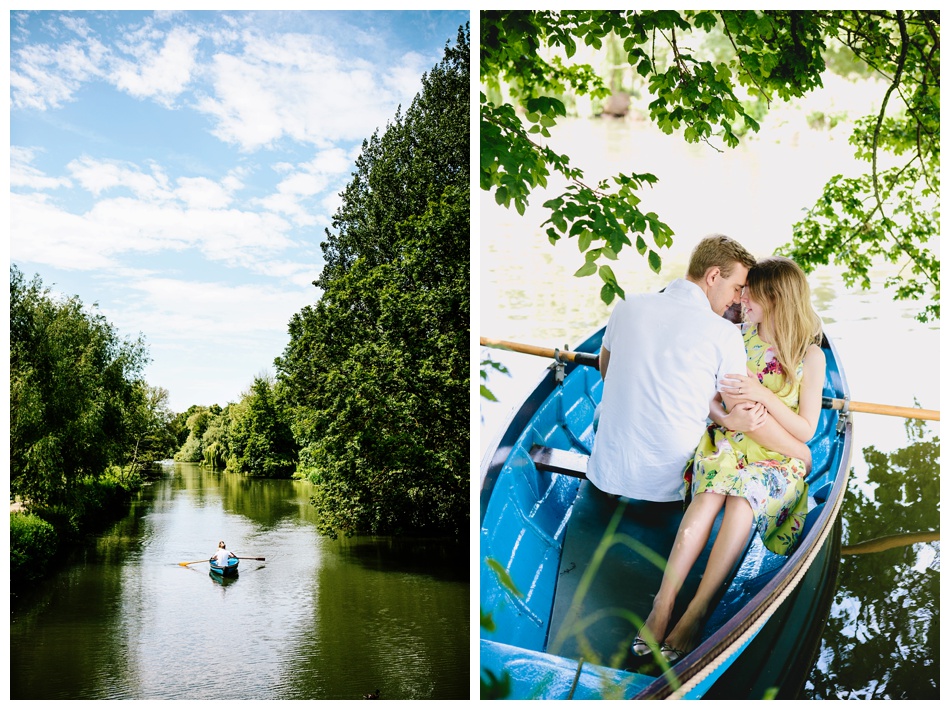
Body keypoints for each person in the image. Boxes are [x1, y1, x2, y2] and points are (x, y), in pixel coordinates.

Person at [633, 255, 825, 663]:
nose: (742, 297)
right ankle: (662, 605)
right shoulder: (734, 335)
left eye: (751, 290)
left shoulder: (810, 357)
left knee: (744, 497)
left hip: (774, 455)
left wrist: (763, 395)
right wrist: (726, 415)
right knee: (711, 493)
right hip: (728, 440)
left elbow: (807, 428)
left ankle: (698, 608)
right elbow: (717, 400)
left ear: (775, 297)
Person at [587, 234, 809, 503]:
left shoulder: (626, 305)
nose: (739, 300)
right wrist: (800, 451)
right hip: (669, 487)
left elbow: (606, 371)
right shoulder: (724, 332)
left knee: (601, 412)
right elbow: (745, 417)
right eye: (737, 287)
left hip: (605, 475)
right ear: (713, 276)